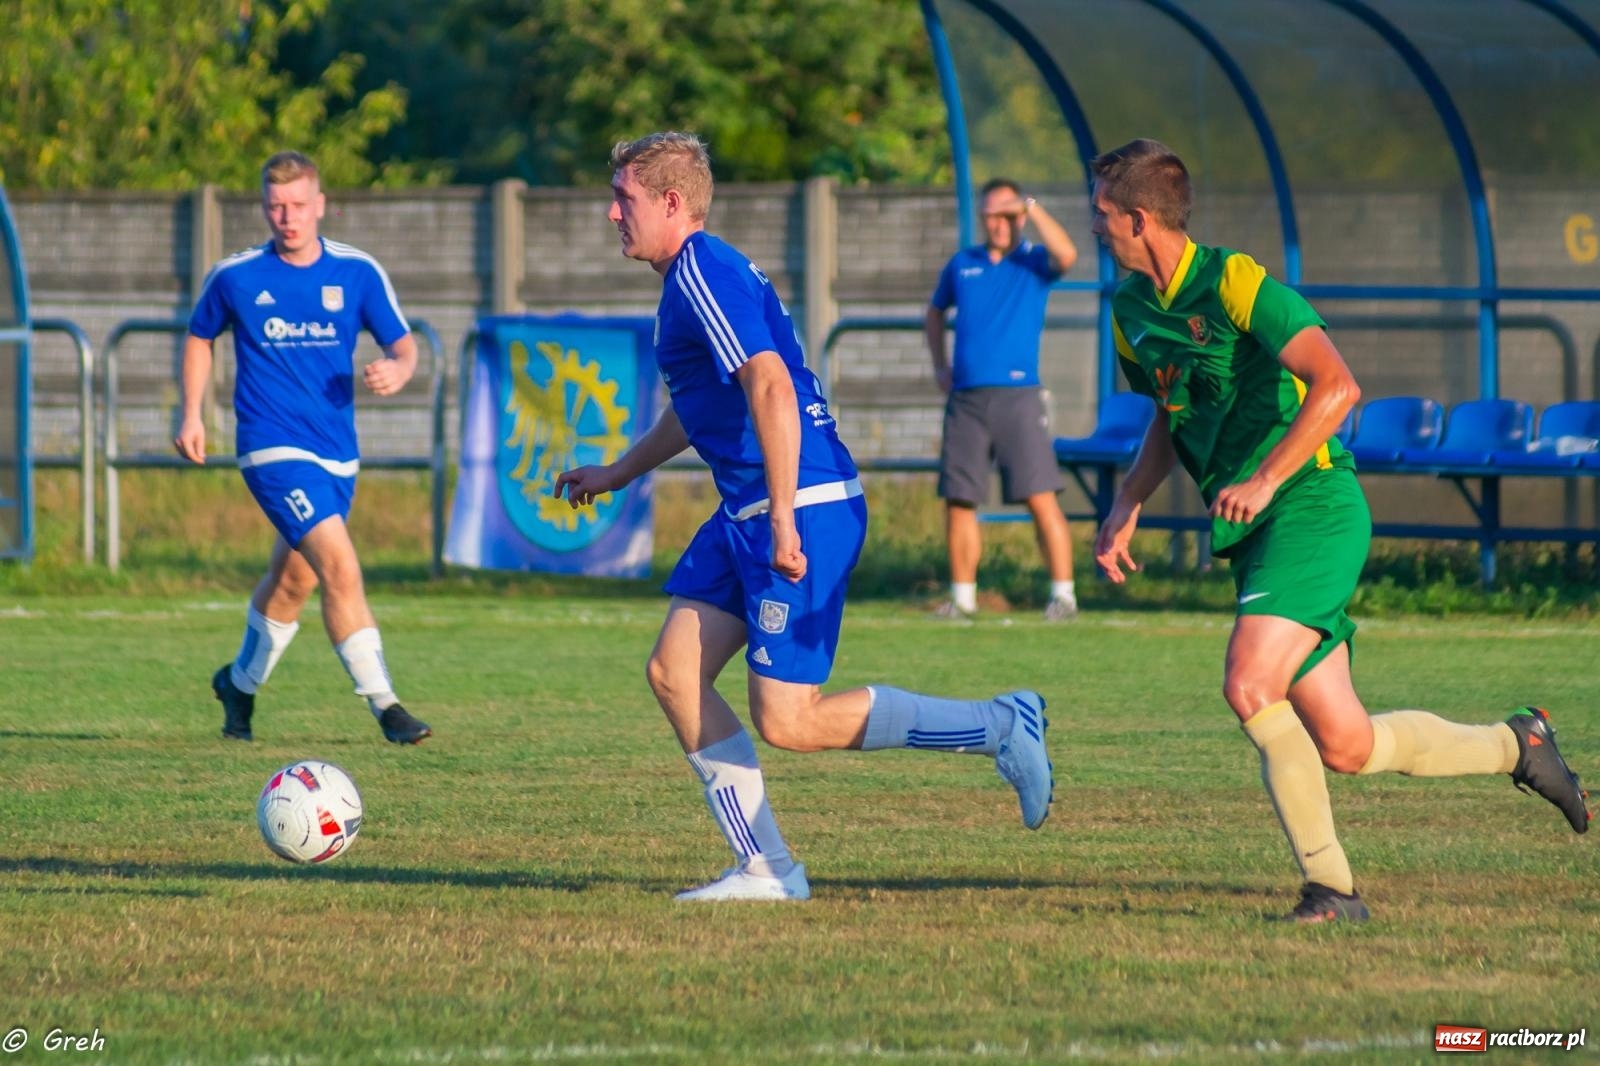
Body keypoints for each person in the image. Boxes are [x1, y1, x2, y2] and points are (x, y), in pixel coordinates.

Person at [1088, 138, 1589, 923]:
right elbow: (1168, 410)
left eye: (1103, 214)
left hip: (1313, 504)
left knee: (1250, 683)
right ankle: (1517, 744)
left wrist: (1264, 477)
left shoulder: (1235, 281)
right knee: (1348, 745)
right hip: (1258, 529)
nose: (1096, 227)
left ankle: (1333, 891)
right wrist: (1128, 503)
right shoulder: (1129, 312)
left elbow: (1339, 386)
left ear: (1140, 219)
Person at [554, 131, 1053, 902]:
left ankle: (998, 726)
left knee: (790, 719)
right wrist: (618, 472)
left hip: (798, 506)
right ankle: (766, 868)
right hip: (751, 507)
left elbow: (773, 389)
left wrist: (783, 518)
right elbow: (700, 409)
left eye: (624, 198)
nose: (611, 213)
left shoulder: (700, 272)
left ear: (672, 203)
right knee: (674, 673)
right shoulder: (692, 276)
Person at [175, 151, 432, 746]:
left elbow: (404, 345)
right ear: (265, 207)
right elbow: (198, 336)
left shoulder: (357, 272)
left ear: (320, 205)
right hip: (270, 446)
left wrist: (398, 368)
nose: (286, 217)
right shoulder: (236, 276)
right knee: (341, 566)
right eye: (275, 206)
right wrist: (191, 413)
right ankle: (386, 706)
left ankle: (238, 684)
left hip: (338, 452)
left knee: (295, 581)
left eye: (296, 206)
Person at [925, 178, 1080, 622]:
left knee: (1039, 495)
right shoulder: (963, 264)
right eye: (992, 215)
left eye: (1008, 215)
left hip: (1019, 398)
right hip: (967, 400)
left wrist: (1031, 207)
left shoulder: (1032, 262)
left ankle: (1063, 596)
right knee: (959, 499)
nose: (999, 224)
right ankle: (962, 598)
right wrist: (940, 364)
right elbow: (935, 312)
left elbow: (1068, 255)